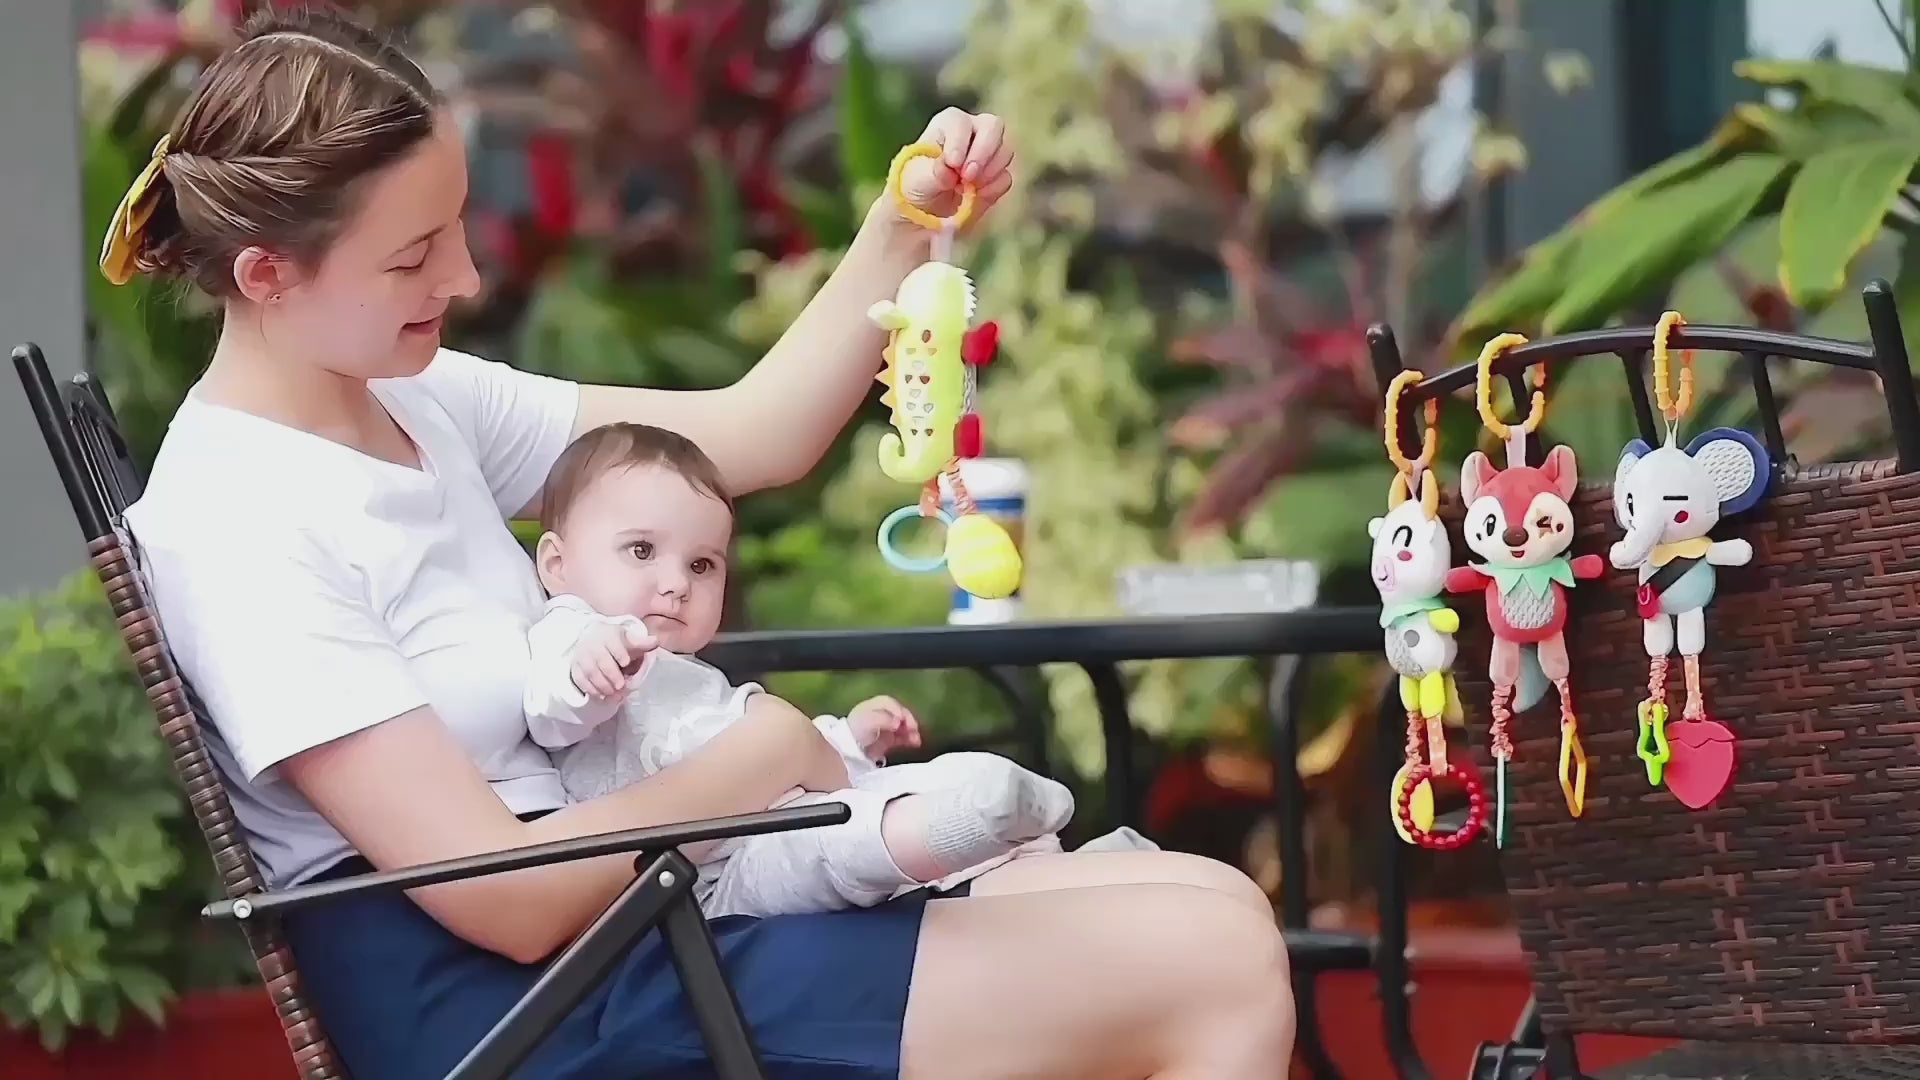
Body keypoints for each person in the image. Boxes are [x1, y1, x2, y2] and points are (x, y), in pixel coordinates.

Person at [106, 7, 1295, 1078]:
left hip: (643, 910)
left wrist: (898, 224)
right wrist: (760, 757)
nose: (462, 277)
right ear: (266, 274)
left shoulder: (411, 394)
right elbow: (503, 900)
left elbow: (751, 436)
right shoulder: (238, 521)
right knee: (1208, 966)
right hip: (524, 1005)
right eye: (413, 258)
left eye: (457, 229)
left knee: (1215, 901)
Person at [523, 420, 1092, 917]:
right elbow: (550, 716)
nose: (676, 584)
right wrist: (587, 675)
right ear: (557, 562)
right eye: (642, 551)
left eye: (701, 565)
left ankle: (1026, 836)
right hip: (699, 882)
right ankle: (989, 825)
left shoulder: (687, 672)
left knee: (890, 789)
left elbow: (760, 748)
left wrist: (845, 740)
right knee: (837, 841)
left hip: (765, 818)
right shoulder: (572, 632)